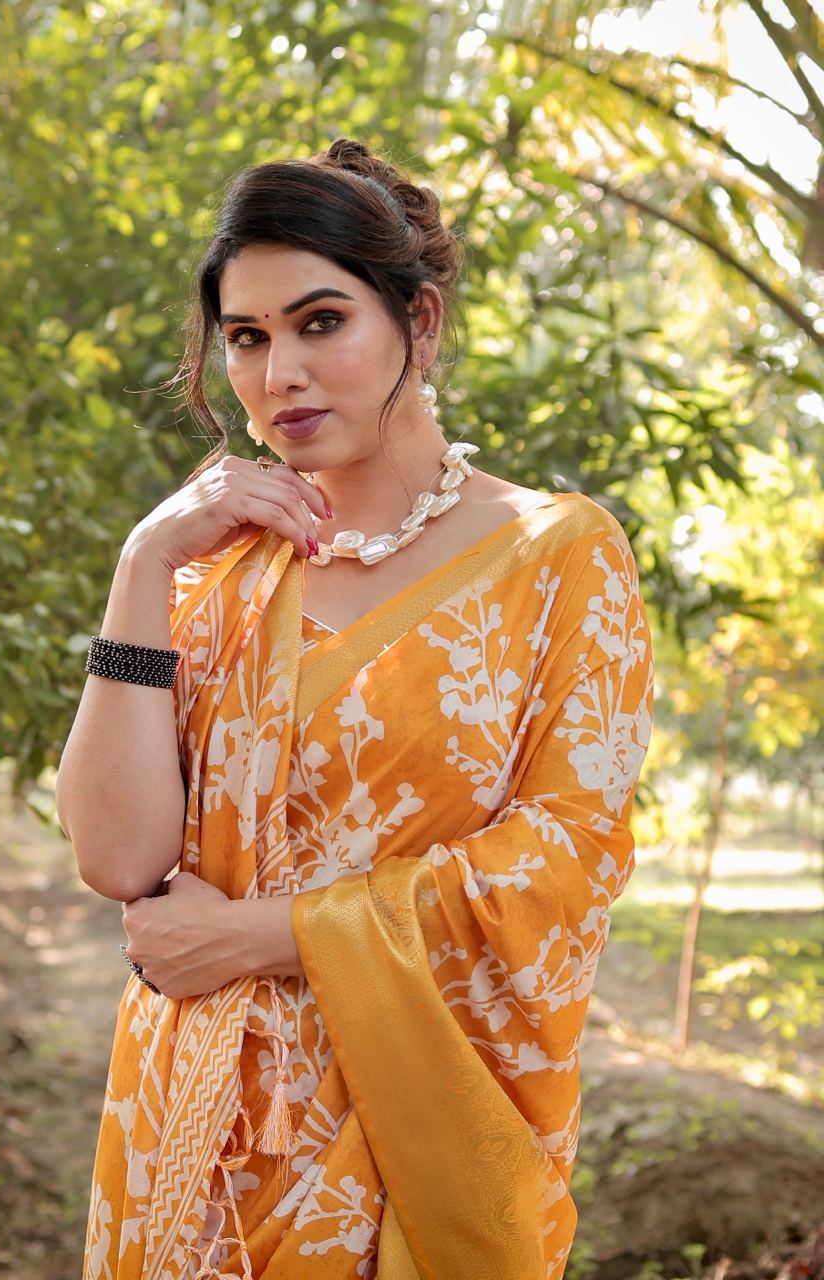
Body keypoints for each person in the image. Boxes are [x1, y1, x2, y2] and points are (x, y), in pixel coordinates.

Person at [59, 137, 655, 1280]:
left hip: (406, 1140)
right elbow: (116, 855)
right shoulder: (210, 573)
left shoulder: (553, 554)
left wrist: (265, 934)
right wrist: (141, 564)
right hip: (186, 1127)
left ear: (417, 323)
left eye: (320, 321)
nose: (279, 371)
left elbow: (563, 857)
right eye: (246, 336)